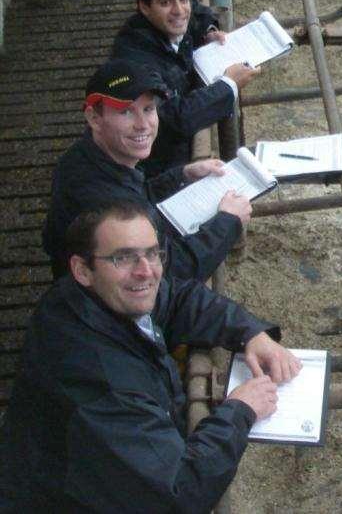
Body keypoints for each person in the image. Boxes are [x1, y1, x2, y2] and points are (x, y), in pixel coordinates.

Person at [0, 201, 301, 511]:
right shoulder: (103, 384)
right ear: (82, 269)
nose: (146, 271)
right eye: (124, 258)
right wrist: (240, 410)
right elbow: (180, 491)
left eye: (153, 253)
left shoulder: (82, 300)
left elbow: (177, 297)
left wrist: (250, 332)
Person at [42, 58, 251, 281]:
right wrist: (228, 222)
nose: (143, 124)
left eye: (148, 109)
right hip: (111, 309)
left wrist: (181, 176)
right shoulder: (106, 207)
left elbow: (135, 193)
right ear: (94, 118)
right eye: (126, 112)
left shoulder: (87, 157)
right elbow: (169, 272)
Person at [111, 0, 259, 177]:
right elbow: (174, 118)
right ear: (144, 7)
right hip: (149, 168)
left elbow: (198, 12)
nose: (179, 10)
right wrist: (229, 85)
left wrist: (208, 31)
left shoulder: (163, 24)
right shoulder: (136, 60)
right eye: (165, 2)